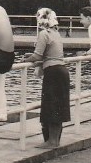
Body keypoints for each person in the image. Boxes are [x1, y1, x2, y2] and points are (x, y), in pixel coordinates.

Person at [24, 8, 70, 148]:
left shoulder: (44, 34)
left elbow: (37, 55)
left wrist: (25, 60)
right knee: (58, 105)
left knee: (51, 105)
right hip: (62, 70)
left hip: (53, 72)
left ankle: (52, 141)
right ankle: (55, 139)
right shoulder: (56, 33)